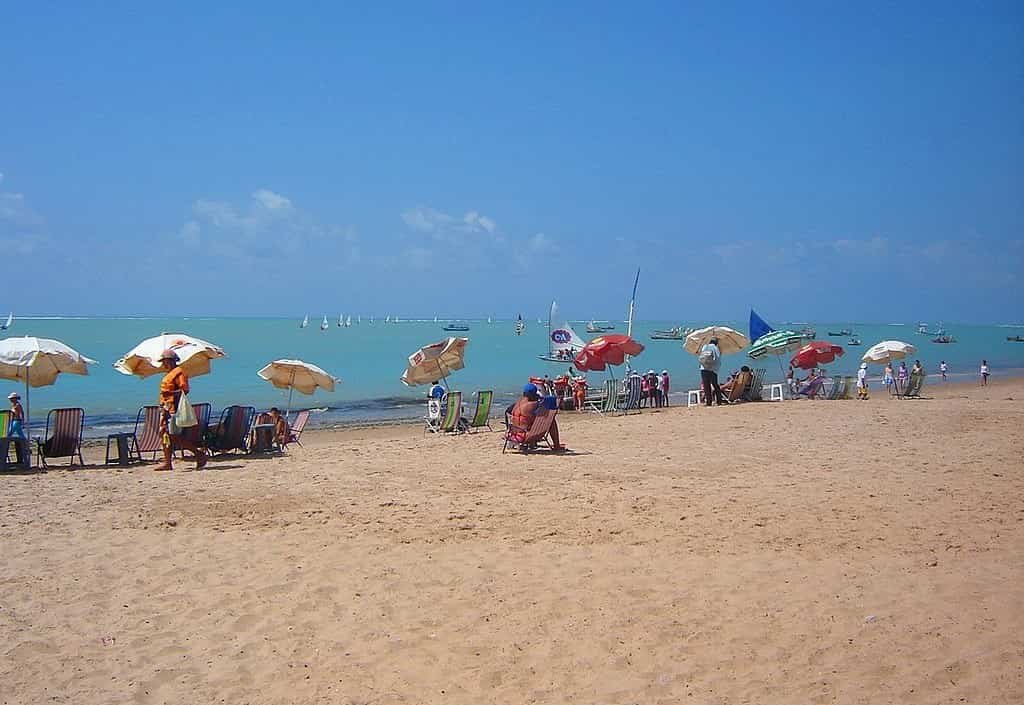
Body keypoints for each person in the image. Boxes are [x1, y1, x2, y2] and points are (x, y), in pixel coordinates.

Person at [155, 349, 207, 472]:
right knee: (165, 434)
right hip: (166, 408)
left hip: (175, 409)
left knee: (173, 436)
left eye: (166, 361)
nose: (164, 364)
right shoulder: (169, 375)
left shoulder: (179, 373)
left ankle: (199, 454)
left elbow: (185, 390)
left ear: (172, 361)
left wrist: (169, 393)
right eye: (163, 362)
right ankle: (167, 463)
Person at [507, 383, 564, 450]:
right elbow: (546, 402)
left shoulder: (518, 403)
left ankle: (530, 444)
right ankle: (557, 445)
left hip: (513, 434)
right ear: (532, 395)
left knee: (529, 418)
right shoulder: (531, 405)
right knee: (551, 421)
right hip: (525, 436)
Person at [698, 336, 725, 406]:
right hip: (712, 370)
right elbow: (718, 359)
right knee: (715, 385)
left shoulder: (704, 346)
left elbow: (701, 357)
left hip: (703, 368)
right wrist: (716, 369)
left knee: (706, 386)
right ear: (716, 343)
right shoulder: (715, 348)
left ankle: (708, 402)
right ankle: (719, 401)